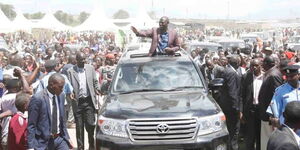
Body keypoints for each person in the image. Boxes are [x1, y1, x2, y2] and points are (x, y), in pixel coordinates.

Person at [27, 73, 73, 150]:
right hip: (43, 142)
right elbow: (31, 125)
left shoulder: (61, 96)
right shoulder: (38, 99)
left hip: (59, 139)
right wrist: (31, 146)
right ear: (52, 85)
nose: (62, 90)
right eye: (60, 87)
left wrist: (67, 137)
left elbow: (62, 120)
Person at [67, 52, 101, 150]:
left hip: (89, 101)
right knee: (79, 127)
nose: (83, 62)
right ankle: (80, 147)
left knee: (90, 124)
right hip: (77, 102)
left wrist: (97, 88)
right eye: (81, 60)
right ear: (76, 61)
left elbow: (95, 81)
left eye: (84, 60)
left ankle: (91, 145)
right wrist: (70, 92)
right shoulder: (70, 71)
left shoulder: (90, 68)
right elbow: (68, 85)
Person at [258, 56, 284, 150]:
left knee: (269, 139)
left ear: (270, 64)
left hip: (270, 115)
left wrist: (273, 115)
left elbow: (276, 96)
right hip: (265, 113)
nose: (262, 65)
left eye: (263, 62)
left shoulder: (274, 75)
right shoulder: (270, 73)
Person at [219, 55, 243, 150]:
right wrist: (236, 108)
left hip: (228, 106)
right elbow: (232, 91)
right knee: (234, 130)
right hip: (231, 108)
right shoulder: (231, 73)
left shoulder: (229, 70)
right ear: (237, 63)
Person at [242, 59, 263, 150]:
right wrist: (241, 111)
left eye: (256, 65)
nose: (254, 67)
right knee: (250, 136)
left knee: (260, 135)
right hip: (250, 110)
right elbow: (242, 95)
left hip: (261, 110)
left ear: (260, 66)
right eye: (252, 65)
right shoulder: (247, 77)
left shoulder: (265, 77)